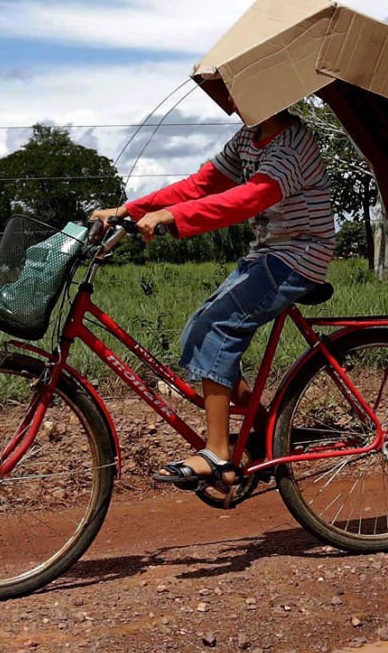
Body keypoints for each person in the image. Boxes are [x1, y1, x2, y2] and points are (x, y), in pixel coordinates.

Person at [92, 106, 335, 488]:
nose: (233, 101)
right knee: (198, 332)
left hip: (299, 255)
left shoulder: (292, 144)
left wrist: (173, 216)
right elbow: (201, 184)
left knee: (219, 330)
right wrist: (128, 209)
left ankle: (218, 453)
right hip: (268, 253)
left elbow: (249, 199)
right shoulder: (248, 136)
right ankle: (267, 430)